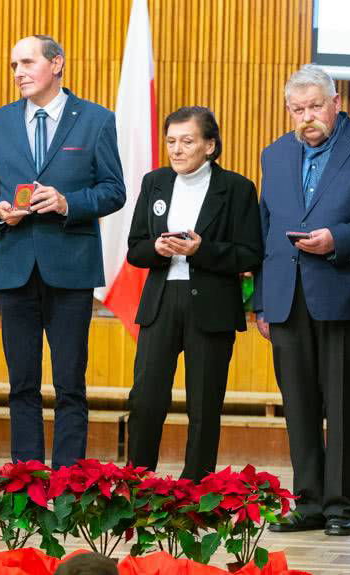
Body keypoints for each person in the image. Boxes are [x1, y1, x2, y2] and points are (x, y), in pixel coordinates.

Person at [0, 35, 126, 469]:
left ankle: (68, 482)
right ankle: (27, 478)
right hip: (15, 266)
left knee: (70, 384)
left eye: (26, 62)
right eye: (13, 64)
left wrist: (67, 203)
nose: (18, 71)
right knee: (21, 384)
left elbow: (114, 191)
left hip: (71, 269)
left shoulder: (96, 120)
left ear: (56, 63)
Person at [254, 65, 350, 536]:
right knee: (298, 407)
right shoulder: (273, 155)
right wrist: (261, 302)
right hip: (286, 301)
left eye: (315, 106)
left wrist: (337, 239)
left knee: (342, 405)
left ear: (337, 101)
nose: (307, 117)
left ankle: (339, 508)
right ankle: (308, 502)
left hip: (344, 295)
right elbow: (266, 230)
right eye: (298, 109)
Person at [126, 106, 262, 478]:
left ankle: (196, 485)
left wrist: (202, 250)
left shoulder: (236, 188)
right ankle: (136, 481)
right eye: (171, 141)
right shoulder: (155, 182)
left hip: (212, 305)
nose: (177, 150)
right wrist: (157, 248)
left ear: (210, 145)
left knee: (203, 404)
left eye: (187, 141)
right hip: (160, 302)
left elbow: (250, 253)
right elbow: (135, 248)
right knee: (146, 397)